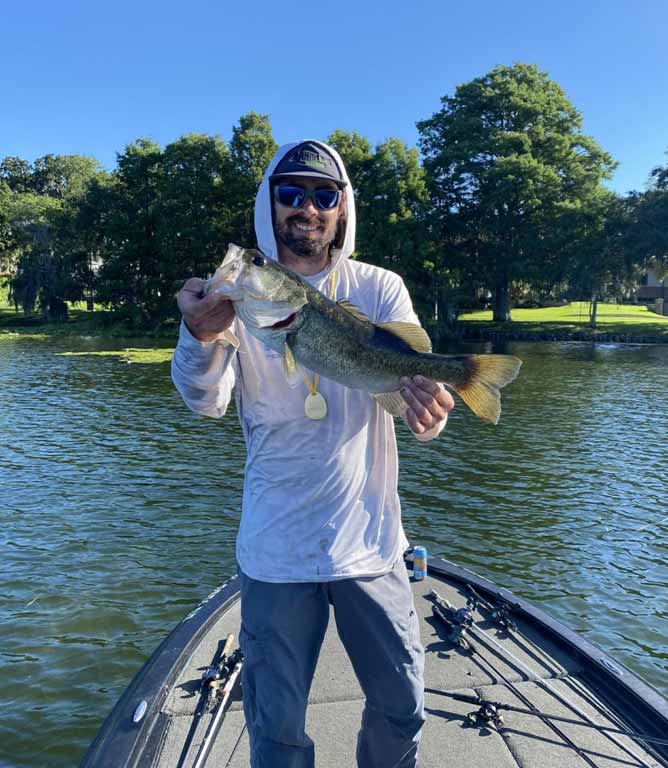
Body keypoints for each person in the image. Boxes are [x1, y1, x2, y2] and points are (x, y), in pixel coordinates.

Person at [172, 139, 455, 768]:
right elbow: (204, 401)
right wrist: (202, 335)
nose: (307, 207)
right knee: (276, 728)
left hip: (372, 545)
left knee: (402, 707)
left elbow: (417, 400)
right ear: (269, 206)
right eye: (291, 193)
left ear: (342, 207)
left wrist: (428, 411)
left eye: (323, 195)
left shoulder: (380, 288)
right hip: (276, 551)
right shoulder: (239, 300)